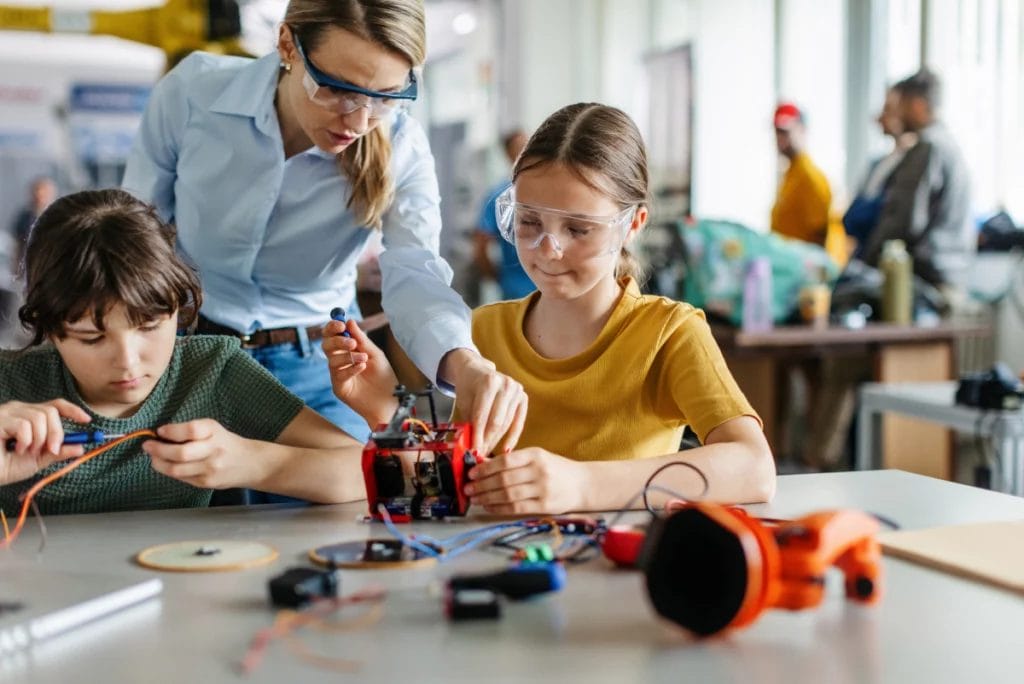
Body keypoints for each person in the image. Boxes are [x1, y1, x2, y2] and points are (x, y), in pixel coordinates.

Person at [121, 0, 526, 471]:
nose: (358, 122)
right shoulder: (194, 93)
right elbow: (137, 235)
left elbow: (414, 273)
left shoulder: (401, 146)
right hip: (191, 359)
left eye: (385, 97)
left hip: (325, 370)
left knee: (344, 518)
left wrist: (465, 363)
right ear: (287, 44)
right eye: (337, 90)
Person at [327, 103, 776, 514]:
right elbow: (459, 485)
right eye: (528, 222)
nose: (548, 250)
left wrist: (581, 486)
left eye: (579, 229)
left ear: (632, 225)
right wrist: (386, 415)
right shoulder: (481, 333)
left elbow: (753, 468)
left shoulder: (668, 333)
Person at [0, 189, 396, 515]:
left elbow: (369, 472)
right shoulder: (9, 385)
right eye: (92, 338)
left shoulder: (211, 370)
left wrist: (251, 462)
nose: (128, 361)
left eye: (150, 327)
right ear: (49, 328)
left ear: (179, 305)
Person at [860, 68, 973, 294]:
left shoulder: (928, 147)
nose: (897, 114)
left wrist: (866, 262)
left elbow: (905, 220)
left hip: (926, 281)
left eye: (900, 105)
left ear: (918, 105)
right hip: (953, 276)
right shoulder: (951, 145)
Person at [843, 87, 917, 256]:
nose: (879, 118)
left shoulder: (913, 166)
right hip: (866, 254)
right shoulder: (879, 163)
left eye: (888, 110)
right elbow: (851, 218)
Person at [473, 129, 535, 300]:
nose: (525, 150)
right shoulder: (498, 195)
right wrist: (495, 277)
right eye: (520, 146)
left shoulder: (550, 189)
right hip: (515, 290)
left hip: (548, 288)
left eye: (528, 144)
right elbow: (480, 244)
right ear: (508, 153)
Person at [770, 103, 838, 251]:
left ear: (802, 129)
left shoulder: (810, 177)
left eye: (785, 132)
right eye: (777, 132)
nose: (780, 139)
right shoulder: (791, 174)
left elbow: (821, 233)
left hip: (804, 267)